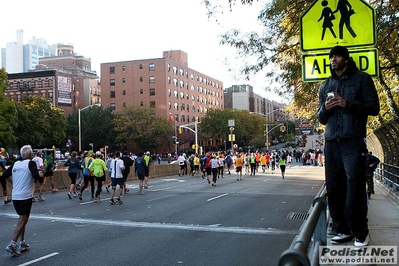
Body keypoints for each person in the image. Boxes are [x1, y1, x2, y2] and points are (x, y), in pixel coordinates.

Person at [317, 45, 380, 247]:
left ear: (345, 58)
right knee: (334, 188)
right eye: (331, 57)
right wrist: (325, 109)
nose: (333, 59)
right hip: (332, 141)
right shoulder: (325, 85)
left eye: (336, 56)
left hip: (352, 140)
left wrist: (347, 104)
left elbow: (374, 108)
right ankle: (341, 229)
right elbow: (321, 118)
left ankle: (361, 232)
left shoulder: (362, 79)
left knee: (355, 187)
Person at [3, 145, 39, 256]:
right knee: (24, 219)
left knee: (22, 218)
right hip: (25, 196)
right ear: (30, 154)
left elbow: (4, 175)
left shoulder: (15, 164)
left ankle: (22, 242)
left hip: (15, 196)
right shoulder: (31, 163)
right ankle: (13, 243)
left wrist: (14, 182)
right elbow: (36, 176)